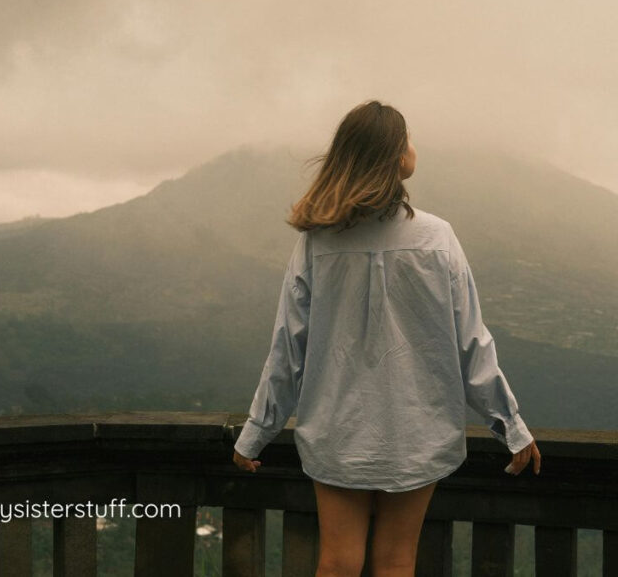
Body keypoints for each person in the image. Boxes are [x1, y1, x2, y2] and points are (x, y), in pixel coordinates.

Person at [231, 100, 542, 577]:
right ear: (397, 158)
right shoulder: (438, 239)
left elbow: (287, 350)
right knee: (398, 563)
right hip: (417, 431)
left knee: (336, 563)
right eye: (408, 139)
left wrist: (256, 434)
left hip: (336, 429)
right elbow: (471, 343)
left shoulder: (317, 242)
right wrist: (510, 426)